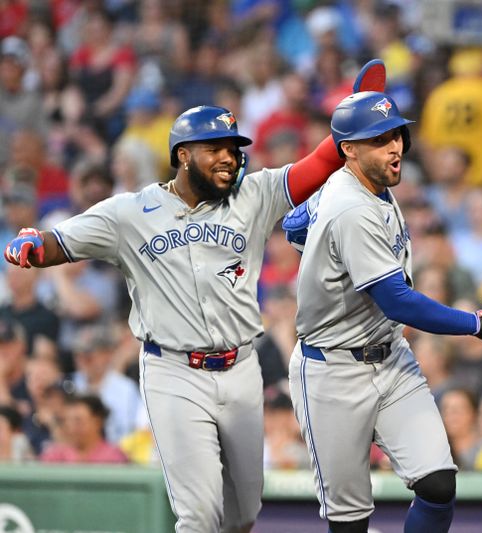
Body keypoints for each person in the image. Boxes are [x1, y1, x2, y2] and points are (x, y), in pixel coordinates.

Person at [3, 60, 389, 533]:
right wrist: (31, 245)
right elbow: (59, 243)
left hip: (242, 367)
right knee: (199, 516)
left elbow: (319, 164)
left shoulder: (255, 194)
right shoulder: (130, 212)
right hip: (174, 371)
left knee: (243, 514)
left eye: (233, 148)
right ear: (183, 154)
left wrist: (353, 121)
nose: (229, 157)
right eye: (215, 149)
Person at [283, 91, 482, 533]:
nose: (396, 147)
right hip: (333, 370)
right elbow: (397, 300)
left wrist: (318, 227)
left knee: (438, 484)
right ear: (349, 149)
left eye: (397, 135)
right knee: (350, 521)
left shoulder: (362, 185)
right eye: (380, 139)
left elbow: (292, 228)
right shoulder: (349, 207)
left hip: (390, 357)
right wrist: (477, 324)